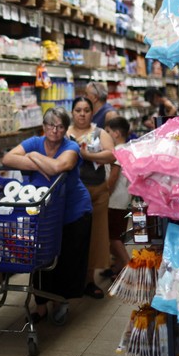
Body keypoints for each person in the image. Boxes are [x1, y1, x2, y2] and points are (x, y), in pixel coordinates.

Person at [2, 107, 92, 321]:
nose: (55, 130)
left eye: (60, 126)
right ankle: (40, 306)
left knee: (65, 261)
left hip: (73, 211)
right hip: (43, 213)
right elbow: (8, 159)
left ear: (65, 128)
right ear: (44, 127)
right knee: (41, 261)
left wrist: (34, 159)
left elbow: (59, 167)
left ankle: (60, 302)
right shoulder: (34, 142)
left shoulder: (71, 147)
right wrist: (37, 159)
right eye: (51, 125)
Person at [67, 96, 115, 298]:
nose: (82, 114)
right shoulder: (65, 133)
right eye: (78, 110)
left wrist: (88, 156)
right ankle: (70, 280)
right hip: (71, 194)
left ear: (92, 112)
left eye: (86, 110)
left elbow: (112, 155)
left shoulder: (99, 133)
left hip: (96, 192)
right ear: (72, 112)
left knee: (96, 237)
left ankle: (89, 280)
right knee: (74, 238)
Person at [105, 116, 132, 274]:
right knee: (117, 235)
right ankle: (118, 267)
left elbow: (114, 177)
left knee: (114, 237)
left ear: (115, 134)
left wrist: (105, 194)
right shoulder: (128, 148)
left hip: (115, 200)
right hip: (124, 198)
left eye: (108, 132)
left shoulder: (118, 151)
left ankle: (129, 267)